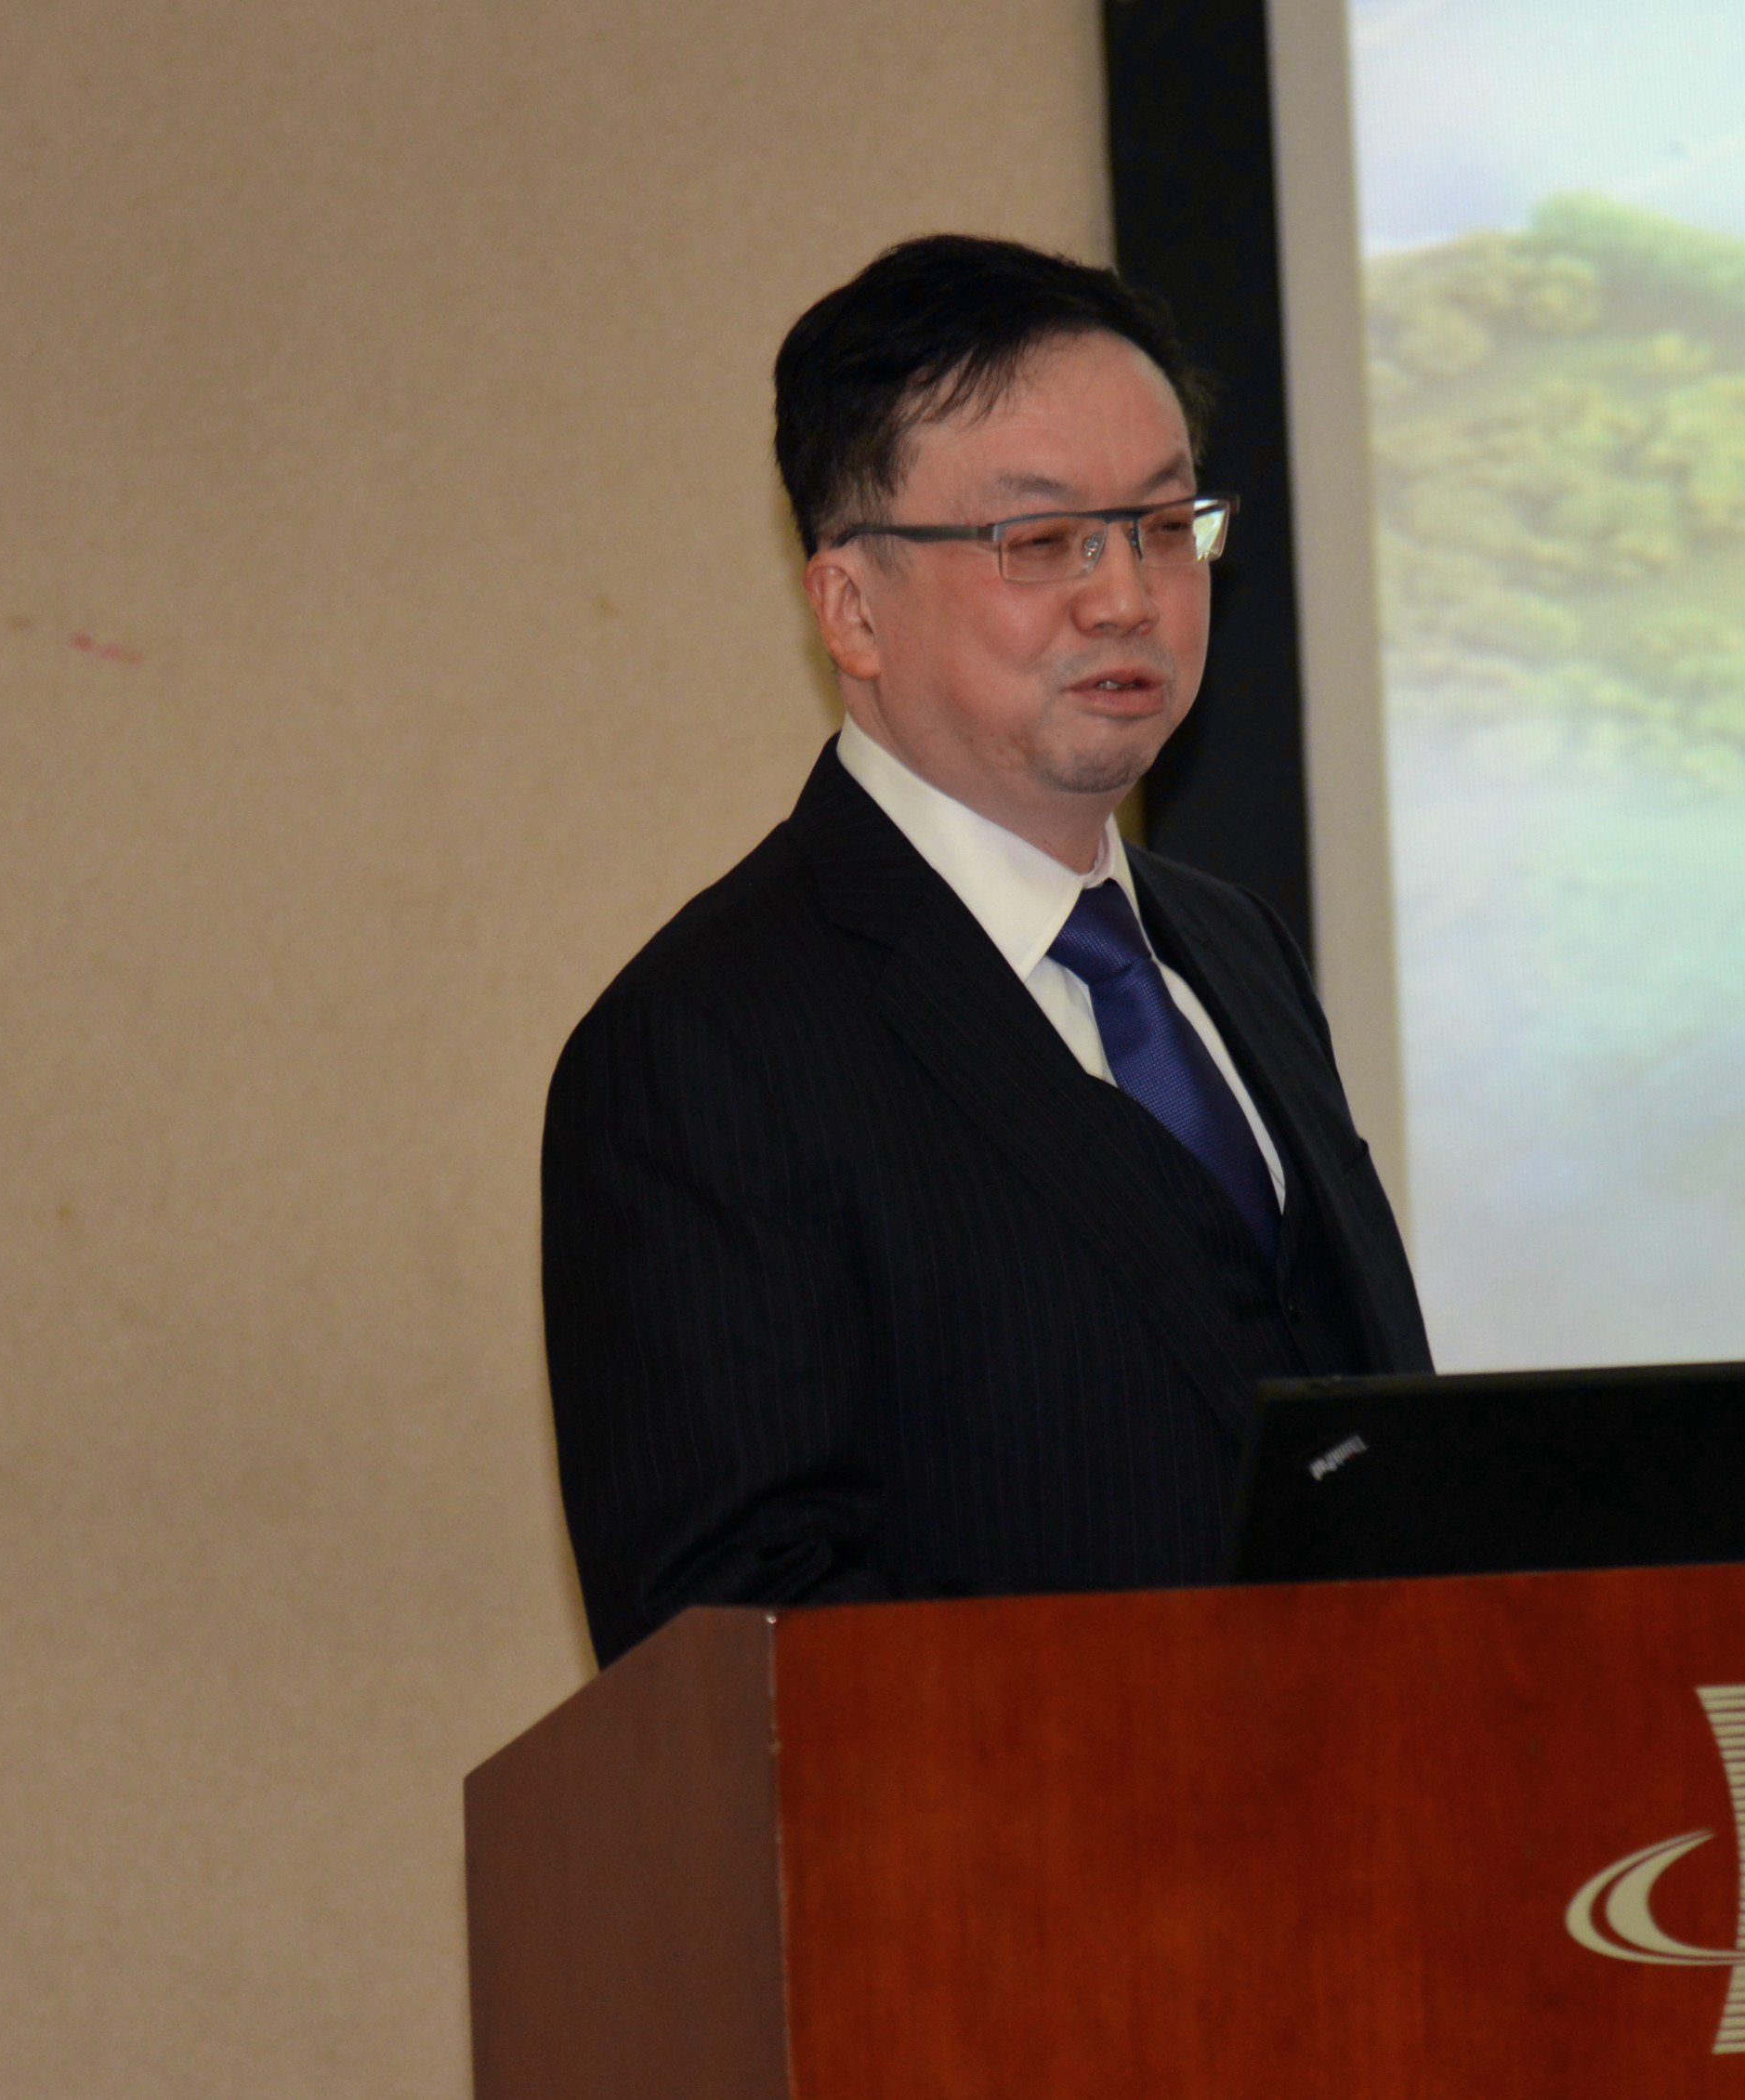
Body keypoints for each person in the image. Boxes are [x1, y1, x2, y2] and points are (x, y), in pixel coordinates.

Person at [543, 234, 1431, 1665]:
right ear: (851, 608)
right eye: (1042, 540)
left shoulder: (1239, 950)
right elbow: (735, 1645)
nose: (1127, 596)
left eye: (1163, 524)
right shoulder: (703, 1045)